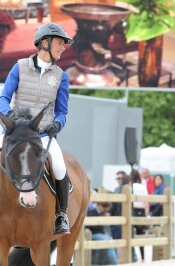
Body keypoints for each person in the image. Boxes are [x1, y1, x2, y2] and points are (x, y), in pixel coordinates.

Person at [0, 22, 73, 235]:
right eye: (60, 43)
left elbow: (62, 111)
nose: (63, 47)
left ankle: (61, 215)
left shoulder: (62, 76)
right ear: (44, 43)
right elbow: (3, 97)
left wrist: (57, 123)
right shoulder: (19, 66)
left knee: (59, 166)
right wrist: (10, 116)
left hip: (40, 134)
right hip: (14, 131)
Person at [86, 199, 118, 265]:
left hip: (100, 233)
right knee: (108, 243)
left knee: (112, 241)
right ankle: (115, 264)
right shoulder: (93, 212)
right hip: (93, 233)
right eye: (105, 209)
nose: (106, 210)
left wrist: (105, 219)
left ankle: (113, 262)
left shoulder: (101, 213)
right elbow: (91, 227)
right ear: (101, 206)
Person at [132, 169, 149, 262]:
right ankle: (142, 257)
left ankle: (132, 255)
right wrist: (146, 215)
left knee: (129, 233)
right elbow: (146, 202)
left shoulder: (130, 187)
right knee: (140, 234)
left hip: (132, 210)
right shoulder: (142, 187)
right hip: (141, 211)